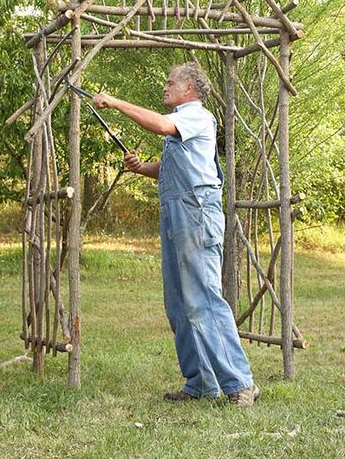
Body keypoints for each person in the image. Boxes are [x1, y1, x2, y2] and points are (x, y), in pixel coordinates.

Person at [93, 63, 259, 406]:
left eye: (171, 83)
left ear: (189, 89)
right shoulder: (182, 124)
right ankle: (201, 382)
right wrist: (144, 169)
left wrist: (116, 102)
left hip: (196, 215)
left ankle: (241, 382)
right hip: (177, 214)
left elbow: (162, 125)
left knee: (203, 300)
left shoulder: (196, 116)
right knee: (180, 305)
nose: (165, 87)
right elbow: (174, 167)